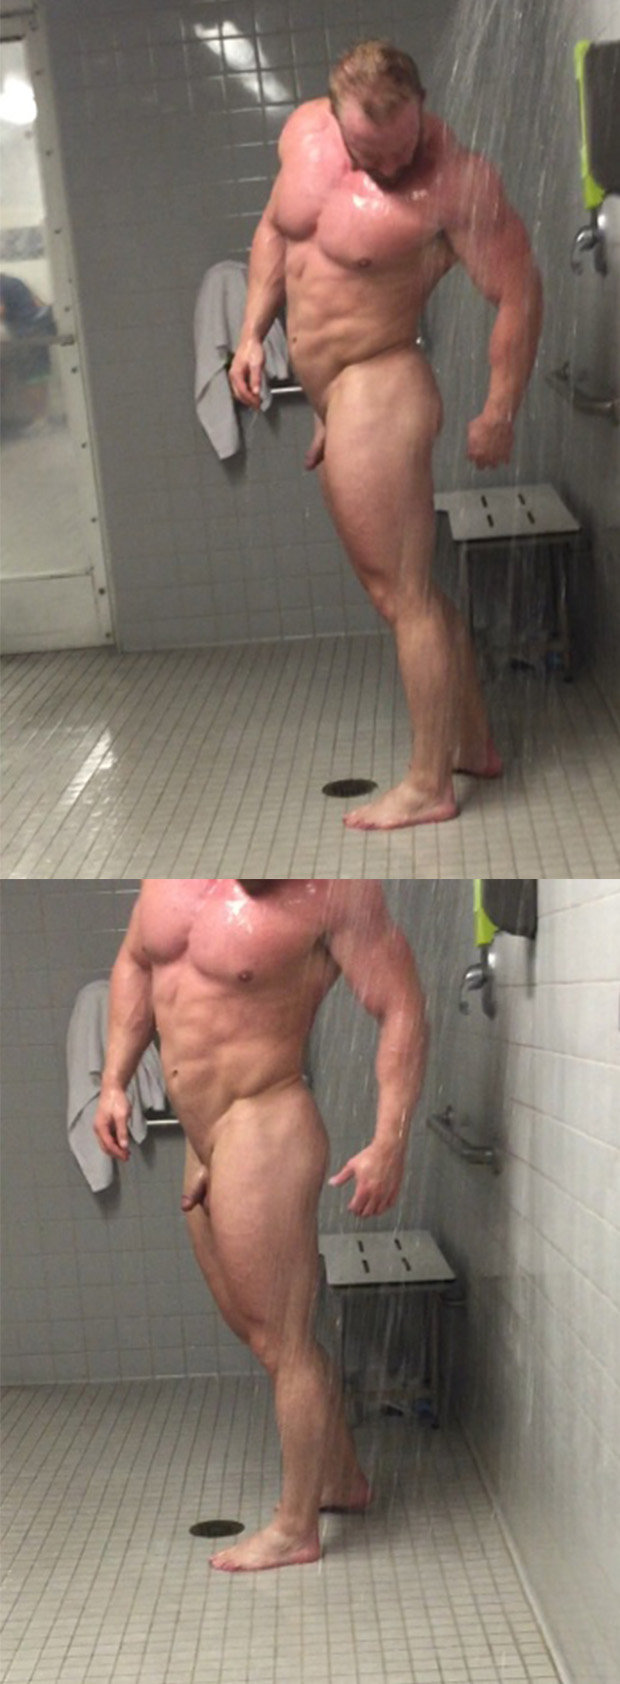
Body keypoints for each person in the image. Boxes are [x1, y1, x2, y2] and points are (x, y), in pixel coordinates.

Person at [229, 40, 544, 831]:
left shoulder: (457, 182)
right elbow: (276, 234)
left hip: (381, 381)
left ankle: (429, 786)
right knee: (408, 590)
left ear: (422, 107)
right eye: (375, 154)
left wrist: (500, 408)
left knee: (402, 595)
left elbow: (519, 290)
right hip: (341, 398)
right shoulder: (304, 136)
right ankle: (473, 744)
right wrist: (250, 335)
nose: (396, 166)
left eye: (406, 146)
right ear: (337, 119)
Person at [93, 878, 428, 1572]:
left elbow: (401, 1005)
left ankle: (295, 1528)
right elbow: (135, 961)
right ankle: (342, 1478)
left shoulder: (334, 893)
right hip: (203, 1137)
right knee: (260, 1333)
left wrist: (389, 1140)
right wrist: (114, 1082)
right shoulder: (167, 882)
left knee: (285, 1337)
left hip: (265, 1121)